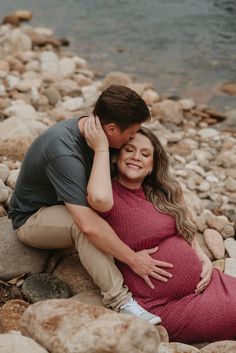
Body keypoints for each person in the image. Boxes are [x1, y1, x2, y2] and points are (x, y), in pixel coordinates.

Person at [8, 85, 174, 324]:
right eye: (130, 134)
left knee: (98, 218)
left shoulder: (101, 133)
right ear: (112, 129)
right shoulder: (63, 150)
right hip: (34, 217)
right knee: (84, 227)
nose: (132, 138)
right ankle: (121, 301)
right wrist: (133, 259)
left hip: (72, 203)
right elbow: (89, 221)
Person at [84, 120, 236, 344]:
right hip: (168, 305)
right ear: (115, 156)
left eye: (145, 154)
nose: (136, 157)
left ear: (152, 165)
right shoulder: (107, 196)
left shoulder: (160, 192)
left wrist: (203, 257)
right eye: (129, 150)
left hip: (210, 283)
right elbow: (95, 201)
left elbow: (185, 227)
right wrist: (100, 148)